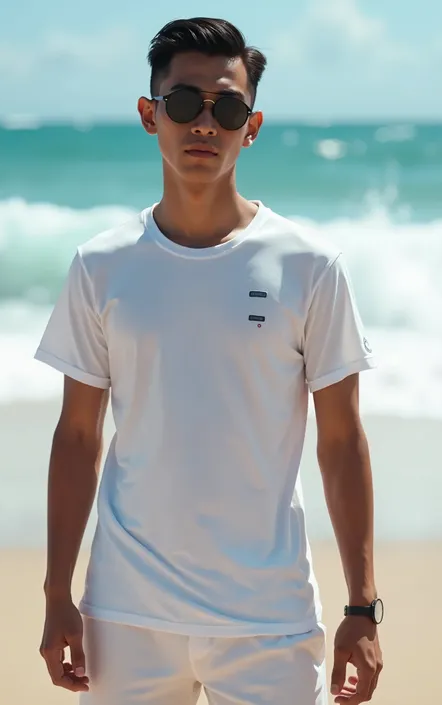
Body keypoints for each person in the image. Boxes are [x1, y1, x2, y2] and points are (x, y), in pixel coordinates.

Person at [36, 17, 383, 705]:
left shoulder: (310, 267)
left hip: (269, 620)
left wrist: (361, 607)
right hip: (124, 615)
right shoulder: (100, 266)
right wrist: (56, 594)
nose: (204, 124)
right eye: (184, 103)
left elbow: (341, 442)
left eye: (225, 108)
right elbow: (78, 437)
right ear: (149, 115)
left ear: (249, 127)